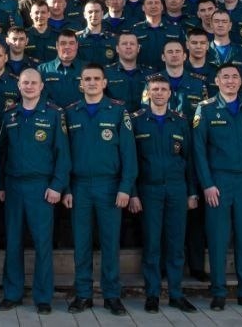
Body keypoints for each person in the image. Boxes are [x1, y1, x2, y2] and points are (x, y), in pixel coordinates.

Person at [192, 64, 242, 312]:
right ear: (217, 80)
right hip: (219, 183)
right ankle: (219, 292)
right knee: (218, 240)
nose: (230, 81)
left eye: (235, 76)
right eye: (225, 77)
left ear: (240, 81)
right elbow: (199, 152)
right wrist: (207, 184)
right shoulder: (205, 110)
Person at [64, 63, 136, 316]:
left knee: (110, 243)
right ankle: (82, 295)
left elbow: (129, 154)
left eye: (97, 78)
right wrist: (67, 188)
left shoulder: (118, 111)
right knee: (81, 244)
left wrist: (126, 187)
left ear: (105, 83)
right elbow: (64, 155)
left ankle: (112, 296)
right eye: (87, 79)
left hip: (110, 187)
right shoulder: (71, 112)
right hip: (80, 187)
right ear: (81, 83)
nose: (92, 82)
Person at [0, 67, 69, 315]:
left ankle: (43, 297)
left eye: (33, 83)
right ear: (19, 86)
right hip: (14, 187)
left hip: (42, 188)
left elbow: (63, 154)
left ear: (41, 86)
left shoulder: (53, 114)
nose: (28, 86)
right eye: (24, 83)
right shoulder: (9, 115)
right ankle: (12, 293)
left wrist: (57, 185)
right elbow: (1, 153)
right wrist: (0, 185)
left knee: (42, 244)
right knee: (13, 242)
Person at [130, 75, 197, 314]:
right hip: (149, 190)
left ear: (171, 94)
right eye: (154, 89)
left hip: (177, 189)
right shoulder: (137, 121)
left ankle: (177, 294)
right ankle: (152, 294)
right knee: (152, 244)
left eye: (163, 89)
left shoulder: (180, 121)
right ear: (148, 93)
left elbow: (189, 160)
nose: (159, 93)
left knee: (176, 244)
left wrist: (192, 193)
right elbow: (131, 161)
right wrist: (133, 193)